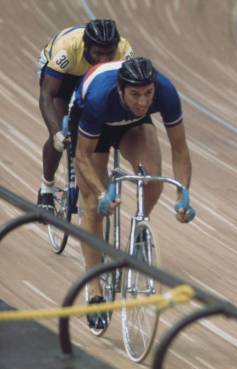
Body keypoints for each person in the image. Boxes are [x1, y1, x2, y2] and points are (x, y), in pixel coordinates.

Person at [71, 57, 194, 329]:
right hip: (94, 130)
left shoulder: (165, 91)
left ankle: (139, 232)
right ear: (120, 89)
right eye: (135, 94)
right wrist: (103, 192)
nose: (143, 101)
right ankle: (95, 292)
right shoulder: (100, 97)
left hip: (132, 126)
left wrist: (183, 193)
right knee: (92, 204)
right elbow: (82, 156)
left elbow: (180, 148)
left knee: (152, 179)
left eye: (148, 93)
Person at [36, 19, 134, 211]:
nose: (104, 59)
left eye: (109, 54)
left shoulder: (124, 50)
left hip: (98, 78)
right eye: (98, 53)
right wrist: (56, 131)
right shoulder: (68, 48)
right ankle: (46, 187)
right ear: (86, 46)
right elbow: (48, 95)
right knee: (61, 133)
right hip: (65, 76)